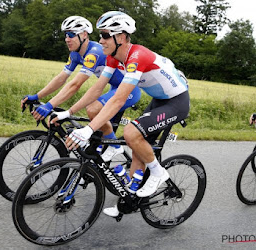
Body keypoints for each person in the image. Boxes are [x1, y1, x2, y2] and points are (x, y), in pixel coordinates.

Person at [52, 11, 189, 217]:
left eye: (105, 35)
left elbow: (117, 100)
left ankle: (159, 173)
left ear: (122, 37)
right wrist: (69, 112)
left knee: (131, 132)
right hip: (158, 101)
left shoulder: (136, 57)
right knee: (137, 148)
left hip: (176, 102)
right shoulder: (114, 58)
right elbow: (97, 89)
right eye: (100, 35)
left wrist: (89, 130)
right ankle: (128, 201)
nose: (100, 40)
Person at [21, 16, 141, 161]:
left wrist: (49, 105)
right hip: (114, 88)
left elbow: (75, 84)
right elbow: (61, 78)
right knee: (97, 134)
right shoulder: (75, 54)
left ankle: (115, 148)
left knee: (92, 109)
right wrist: (37, 96)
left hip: (129, 91)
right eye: (65, 35)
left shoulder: (95, 52)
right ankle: (98, 167)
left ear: (84, 34)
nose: (67, 39)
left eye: (71, 34)